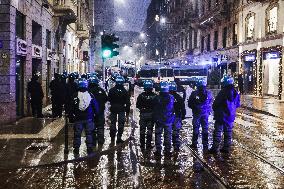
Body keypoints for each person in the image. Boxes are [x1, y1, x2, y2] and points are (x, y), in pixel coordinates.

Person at [209, 75, 240, 154]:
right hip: (230, 116)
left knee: (218, 132)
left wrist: (215, 109)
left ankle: (215, 148)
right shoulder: (236, 92)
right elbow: (238, 104)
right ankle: (226, 148)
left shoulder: (223, 92)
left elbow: (216, 103)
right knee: (228, 132)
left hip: (221, 115)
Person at [69, 78, 99, 155]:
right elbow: (95, 106)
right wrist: (97, 115)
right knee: (89, 134)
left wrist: (71, 117)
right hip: (89, 117)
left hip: (78, 118)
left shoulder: (75, 95)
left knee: (77, 134)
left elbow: (71, 107)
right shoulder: (90, 95)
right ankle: (89, 148)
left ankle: (76, 149)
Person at [188, 78, 213, 150]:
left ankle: (194, 143)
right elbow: (211, 102)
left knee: (196, 128)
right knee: (205, 128)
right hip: (205, 113)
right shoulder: (209, 93)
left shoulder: (194, 93)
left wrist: (195, 108)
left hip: (196, 113)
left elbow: (189, 104)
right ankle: (205, 144)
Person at [153, 81, 175, 156]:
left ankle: (158, 150)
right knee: (168, 135)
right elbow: (173, 108)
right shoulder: (172, 98)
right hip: (168, 120)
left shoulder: (157, 98)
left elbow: (155, 109)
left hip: (159, 120)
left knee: (158, 135)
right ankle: (167, 151)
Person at [108, 76, 131, 144]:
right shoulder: (125, 91)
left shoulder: (111, 90)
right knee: (121, 124)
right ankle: (118, 138)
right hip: (121, 109)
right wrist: (127, 113)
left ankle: (112, 139)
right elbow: (128, 103)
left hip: (113, 108)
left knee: (112, 124)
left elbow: (109, 99)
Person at [136, 80, 157, 150]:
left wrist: (142, 109)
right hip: (152, 115)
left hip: (143, 114)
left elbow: (137, 105)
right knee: (150, 130)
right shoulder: (155, 96)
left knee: (142, 130)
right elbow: (157, 106)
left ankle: (142, 144)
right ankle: (148, 145)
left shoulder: (141, 95)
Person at [88, 76, 108, 147]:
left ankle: (93, 142)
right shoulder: (101, 90)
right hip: (100, 112)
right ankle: (101, 140)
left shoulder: (87, 91)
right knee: (100, 126)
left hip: (90, 113)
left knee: (91, 127)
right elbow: (106, 99)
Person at [169, 81, 186, 152]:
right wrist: (183, 116)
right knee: (176, 132)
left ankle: (167, 146)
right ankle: (176, 146)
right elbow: (183, 108)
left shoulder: (167, 97)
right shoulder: (179, 97)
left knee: (168, 132)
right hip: (177, 116)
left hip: (168, 117)